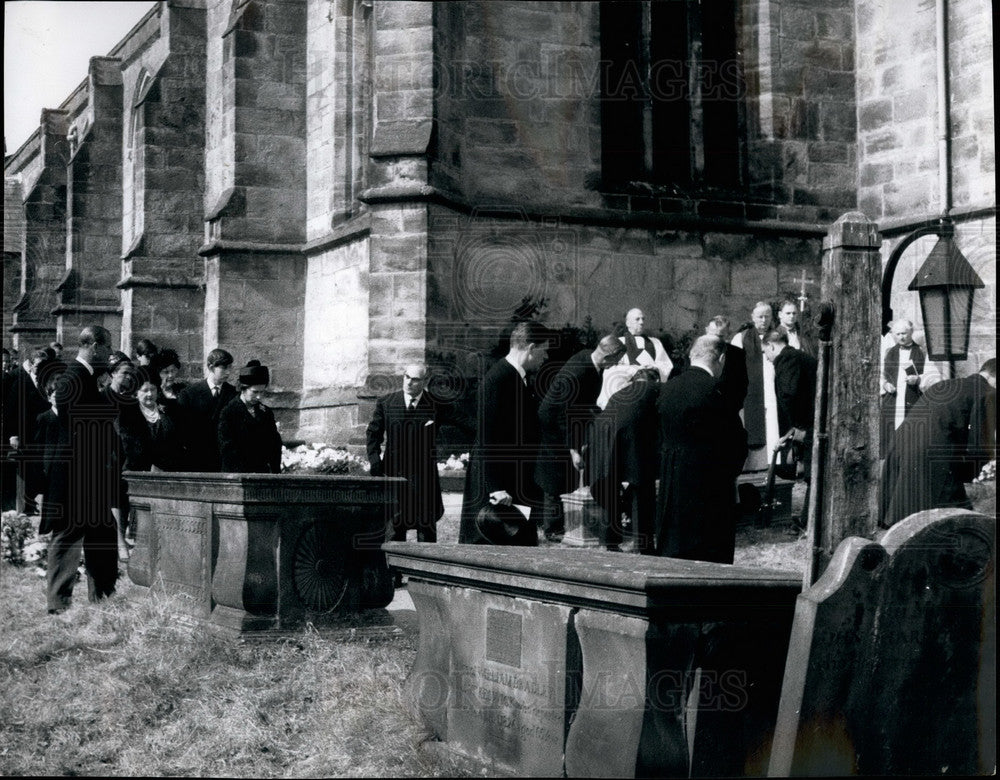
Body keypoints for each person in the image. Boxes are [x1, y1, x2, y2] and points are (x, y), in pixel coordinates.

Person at [45, 325, 119, 613]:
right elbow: (74, 419)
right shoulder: (72, 378)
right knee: (67, 534)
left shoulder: (86, 378)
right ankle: (58, 604)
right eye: (109, 347)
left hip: (90, 473)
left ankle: (103, 597)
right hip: (76, 474)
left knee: (102, 532)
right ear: (96, 346)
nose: (111, 353)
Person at [655, 335, 748, 564]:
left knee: (675, 550)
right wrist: (731, 472)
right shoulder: (717, 390)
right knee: (709, 552)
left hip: (672, 480)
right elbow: (736, 441)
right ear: (722, 358)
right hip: (708, 484)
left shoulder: (668, 388)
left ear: (691, 355)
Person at [459, 321, 551, 545]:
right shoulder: (497, 380)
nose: (546, 357)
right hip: (498, 489)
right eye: (544, 350)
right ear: (530, 348)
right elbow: (487, 438)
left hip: (513, 483)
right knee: (494, 553)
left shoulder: (518, 378)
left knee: (520, 551)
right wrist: (496, 489)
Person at [881, 358, 996, 529]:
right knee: (959, 525)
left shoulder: (949, 384)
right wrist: (971, 472)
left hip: (900, 447)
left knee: (905, 521)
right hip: (931, 455)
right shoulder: (987, 392)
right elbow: (979, 446)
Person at [535, 335, 627, 542]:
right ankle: (553, 529)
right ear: (609, 356)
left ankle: (564, 523)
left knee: (565, 473)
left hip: (569, 419)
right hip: (553, 422)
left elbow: (583, 404)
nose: (617, 364)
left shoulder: (592, 362)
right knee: (555, 475)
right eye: (618, 359)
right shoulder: (577, 372)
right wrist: (573, 450)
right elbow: (564, 413)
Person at [366, 364, 463, 546]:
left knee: (426, 535)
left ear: (424, 382)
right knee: (394, 532)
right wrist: (375, 461)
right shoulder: (387, 402)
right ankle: (392, 573)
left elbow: (462, 422)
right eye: (407, 377)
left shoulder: (435, 404)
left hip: (424, 481)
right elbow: (373, 434)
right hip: (395, 477)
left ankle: (422, 574)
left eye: (415, 379)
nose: (409, 382)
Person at [586, 367, 661, 553]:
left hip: (602, 436)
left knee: (609, 489)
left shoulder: (621, 392)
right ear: (655, 381)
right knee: (642, 489)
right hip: (630, 438)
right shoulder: (655, 388)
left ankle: (608, 542)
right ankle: (642, 546)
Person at [764, 330, 818, 527]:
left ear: (771, 346)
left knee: (813, 474)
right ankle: (807, 519)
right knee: (812, 474)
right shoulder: (798, 357)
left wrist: (796, 426)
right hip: (811, 420)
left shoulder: (786, 359)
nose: (768, 358)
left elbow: (789, 393)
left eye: (766, 353)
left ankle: (808, 522)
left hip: (809, 423)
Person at [3, 346, 53, 515]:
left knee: (35, 470)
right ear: (31, 365)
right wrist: (13, 435)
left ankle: (30, 503)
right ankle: (22, 506)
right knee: (24, 471)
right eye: (38, 366)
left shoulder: (47, 383)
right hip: (24, 434)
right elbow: (11, 410)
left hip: (39, 435)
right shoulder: (21, 383)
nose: (41, 370)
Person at [732, 301, 779, 471]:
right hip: (751, 392)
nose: (764, 320)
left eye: (767, 316)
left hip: (773, 390)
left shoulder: (777, 336)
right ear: (752, 318)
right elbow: (733, 367)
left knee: (773, 428)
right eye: (760, 316)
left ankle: (773, 464)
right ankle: (752, 465)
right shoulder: (742, 337)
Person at [598, 307, 674, 407]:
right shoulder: (619, 342)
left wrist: (656, 368)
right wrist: (634, 370)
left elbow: (666, 364)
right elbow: (610, 369)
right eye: (637, 319)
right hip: (628, 392)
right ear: (628, 323)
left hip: (651, 389)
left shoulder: (655, 342)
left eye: (643, 319)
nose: (641, 322)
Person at [176, 348, 236, 471]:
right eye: (224, 368)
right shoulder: (189, 393)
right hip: (197, 458)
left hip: (224, 460)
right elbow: (183, 428)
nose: (228, 372)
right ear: (210, 367)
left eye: (230, 368)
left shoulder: (234, 394)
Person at [217, 360, 282, 473]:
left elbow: (275, 445)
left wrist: (275, 472)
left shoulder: (266, 412)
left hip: (262, 474)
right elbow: (228, 449)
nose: (258, 397)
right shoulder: (229, 412)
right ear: (243, 389)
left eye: (262, 392)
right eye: (254, 392)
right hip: (238, 475)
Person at [117, 366, 184, 474]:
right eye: (145, 390)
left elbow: (177, 442)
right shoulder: (127, 413)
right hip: (137, 473)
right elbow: (130, 447)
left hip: (168, 472)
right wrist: (150, 466)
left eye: (153, 389)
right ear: (136, 392)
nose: (150, 394)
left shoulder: (170, 410)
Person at [879, 318, 925, 452]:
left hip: (913, 397)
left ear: (911, 332)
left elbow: (930, 374)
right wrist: (885, 385)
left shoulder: (921, 351)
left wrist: (917, 379)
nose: (901, 337)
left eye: (904, 333)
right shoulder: (889, 352)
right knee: (891, 436)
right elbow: (880, 374)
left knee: (911, 435)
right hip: (893, 398)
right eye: (898, 334)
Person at [705, 315, 748, 416]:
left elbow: (743, 384)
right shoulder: (695, 351)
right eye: (712, 335)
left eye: (720, 336)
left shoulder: (738, 355)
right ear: (706, 330)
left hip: (728, 411)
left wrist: (733, 407)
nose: (715, 340)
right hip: (702, 409)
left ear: (727, 335)